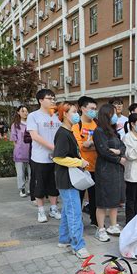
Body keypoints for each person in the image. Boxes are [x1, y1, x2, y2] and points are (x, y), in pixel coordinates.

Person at [52, 102, 90, 259]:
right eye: (74, 112)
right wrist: (79, 162)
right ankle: (78, 245)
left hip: (69, 179)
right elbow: (58, 158)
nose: (77, 115)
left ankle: (64, 239)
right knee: (74, 212)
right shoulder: (62, 133)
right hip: (67, 180)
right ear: (65, 114)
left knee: (70, 211)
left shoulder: (68, 132)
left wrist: (80, 161)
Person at [26, 89, 62, 223]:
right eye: (49, 98)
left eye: (54, 98)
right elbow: (34, 136)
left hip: (56, 157)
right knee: (39, 185)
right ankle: (41, 211)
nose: (53, 101)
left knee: (54, 184)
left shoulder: (58, 116)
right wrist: (54, 147)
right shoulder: (33, 116)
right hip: (39, 157)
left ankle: (53, 209)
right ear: (41, 100)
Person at [93, 104, 126, 239]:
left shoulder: (113, 131)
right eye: (112, 114)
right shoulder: (99, 131)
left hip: (116, 171)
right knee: (103, 200)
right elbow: (104, 151)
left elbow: (123, 146)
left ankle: (113, 225)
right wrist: (119, 159)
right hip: (105, 170)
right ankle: (100, 228)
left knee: (115, 199)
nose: (115, 116)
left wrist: (119, 152)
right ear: (106, 115)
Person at [72, 96, 98, 227]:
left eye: (95, 108)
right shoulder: (76, 125)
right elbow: (79, 145)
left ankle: (95, 220)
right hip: (81, 167)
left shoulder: (97, 124)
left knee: (95, 197)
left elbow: (101, 144)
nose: (94, 111)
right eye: (91, 108)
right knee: (79, 197)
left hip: (96, 166)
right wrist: (90, 144)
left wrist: (90, 144)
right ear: (82, 109)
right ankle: (77, 221)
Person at [10, 105, 31, 198]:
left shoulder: (31, 123)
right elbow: (14, 140)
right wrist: (18, 149)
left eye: (26, 111)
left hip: (31, 151)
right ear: (18, 112)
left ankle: (31, 188)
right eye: (22, 111)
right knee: (20, 173)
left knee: (32, 172)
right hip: (20, 152)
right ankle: (22, 189)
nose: (25, 113)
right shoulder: (15, 125)